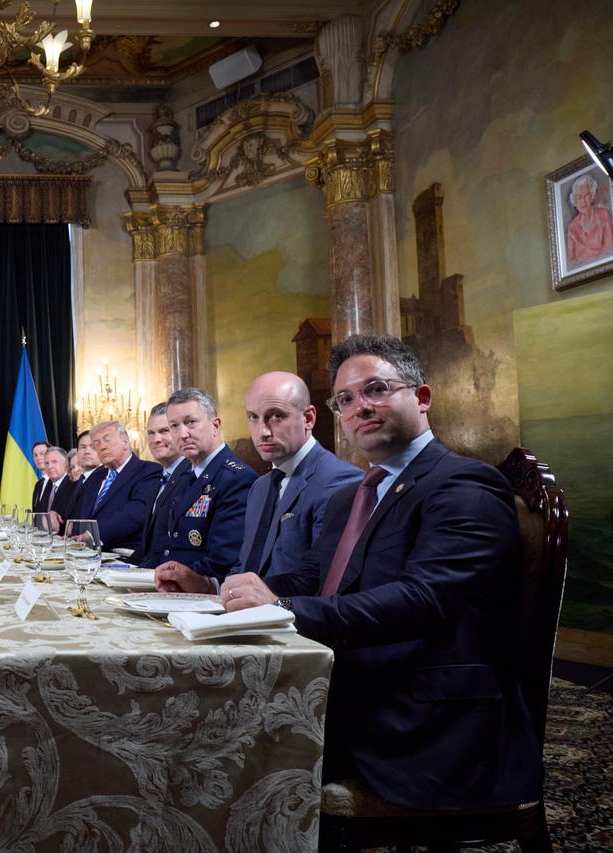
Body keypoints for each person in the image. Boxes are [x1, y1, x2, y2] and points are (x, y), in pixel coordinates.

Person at [221, 335, 541, 812]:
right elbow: (313, 577)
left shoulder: (463, 483)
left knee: (230, 744)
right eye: (346, 399)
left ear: (422, 397)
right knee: (204, 722)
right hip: (360, 687)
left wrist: (282, 609)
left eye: (377, 389)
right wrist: (227, 594)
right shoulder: (351, 496)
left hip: (424, 723)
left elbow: (424, 600)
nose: (360, 407)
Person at [233, 372, 361, 580]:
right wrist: (210, 587)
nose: (263, 431)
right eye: (253, 417)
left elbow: (324, 585)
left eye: (276, 416)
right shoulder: (260, 487)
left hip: (293, 611)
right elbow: (246, 568)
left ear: (308, 418)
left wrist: (277, 604)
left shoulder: (341, 481)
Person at [149, 388, 255, 584]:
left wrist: (171, 580)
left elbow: (224, 560)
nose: (182, 434)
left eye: (191, 422)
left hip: (202, 595)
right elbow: (166, 546)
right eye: (174, 426)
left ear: (215, 425)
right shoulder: (184, 476)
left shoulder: (236, 478)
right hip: (169, 589)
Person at [72, 420, 159, 552]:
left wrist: (92, 535)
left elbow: (135, 513)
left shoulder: (149, 471)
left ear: (125, 442)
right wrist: (72, 536)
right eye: (97, 443)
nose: (102, 447)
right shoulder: (95, 476)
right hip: (84, 554)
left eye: (107, 440)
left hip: (124, 556)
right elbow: (79, 514)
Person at [134, 403, 190, 565]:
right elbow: (148, 547)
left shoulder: (192, 477)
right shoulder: (158, 482)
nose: (156, 439)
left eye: (164, 431)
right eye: (151, 433)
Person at [566, 172, 613, 265]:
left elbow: (609, 248)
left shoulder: (603, 214)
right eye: (579, 197)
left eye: (586, 196)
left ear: (592, 196)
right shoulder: (572, 227)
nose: (583, 201)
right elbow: (571, 261)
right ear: (574, 201)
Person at [36, 446, 72, 529]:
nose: (49, 467)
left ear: (65, 464)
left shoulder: (72, 485)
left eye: (54, 462)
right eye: (46, 463)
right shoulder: (47, 485)